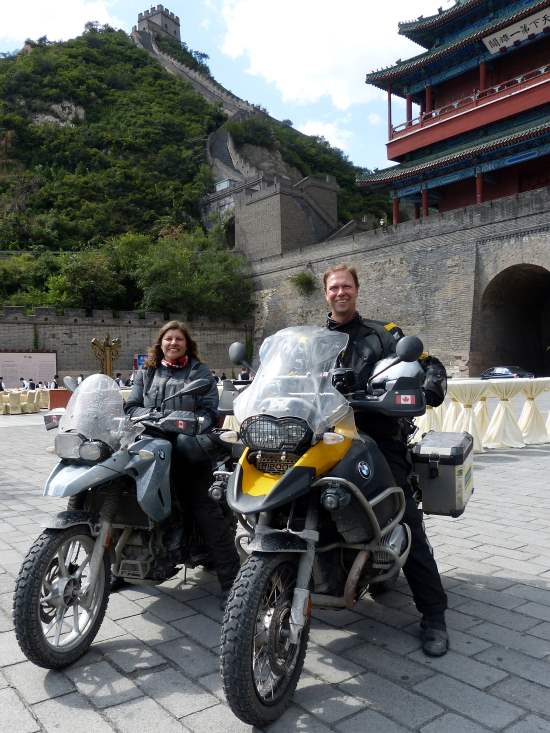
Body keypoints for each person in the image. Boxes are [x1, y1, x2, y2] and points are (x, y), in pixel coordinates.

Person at [323, 263, 449, 657]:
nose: (340, 292)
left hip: (376, 438)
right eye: (333, 287)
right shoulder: (312, 340)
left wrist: (427, 386)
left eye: (346, 286)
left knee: (402, 516)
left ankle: (433, 615)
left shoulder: (384, 333)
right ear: (325, 294)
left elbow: (429, 363)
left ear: (356, 291)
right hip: (324, 438)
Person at [124, 320, 240, 608]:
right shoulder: (146, 372)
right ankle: (118, 565)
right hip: (151, 442)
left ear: (187, 344)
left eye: (179, 339)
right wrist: (154, 417)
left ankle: (232, 581)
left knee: (202, 505)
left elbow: (208, 411)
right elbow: (131, 407)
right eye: (168, 338)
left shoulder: (198, 372)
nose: (173, 343)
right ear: (160, 343)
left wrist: (188, 423)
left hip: (187, 445)